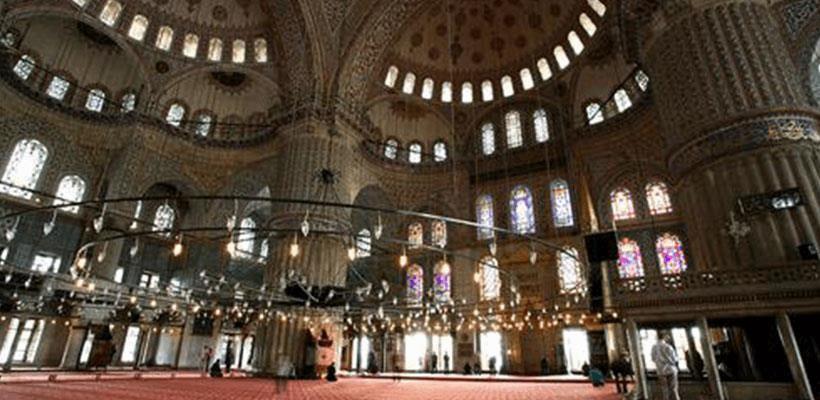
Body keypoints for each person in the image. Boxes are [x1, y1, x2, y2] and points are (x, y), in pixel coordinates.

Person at [651, 333, 681, 400]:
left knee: (664, 390)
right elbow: (674, 359)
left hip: (660, 370)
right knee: (674, 389)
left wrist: (659, 362)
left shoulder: (654, 347)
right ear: (664, 337)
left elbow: (653, 358)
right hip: (671, 369)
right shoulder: (668, 347)